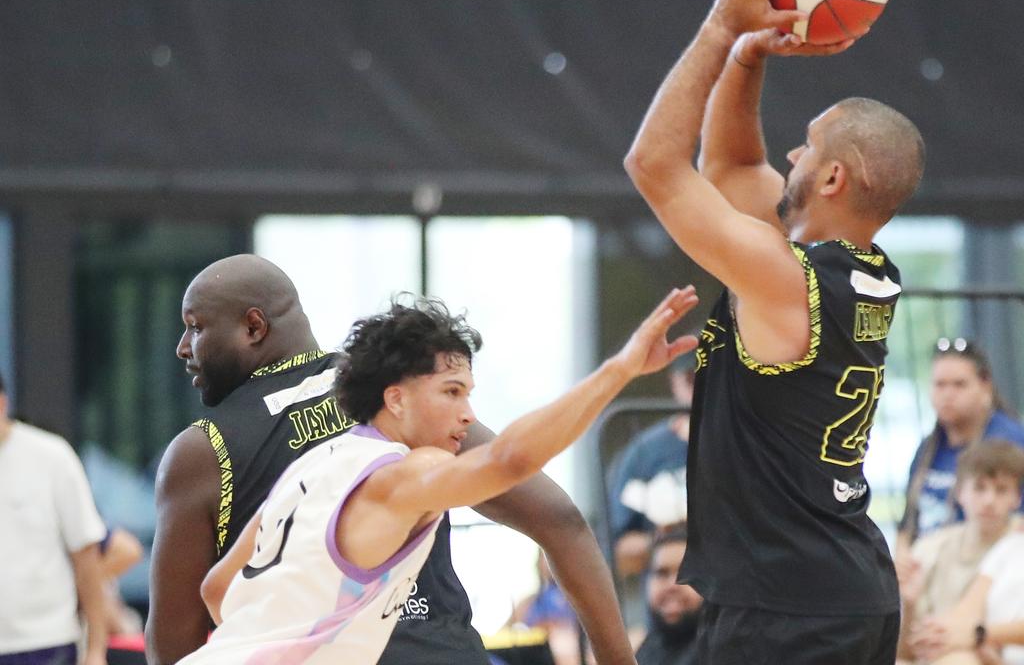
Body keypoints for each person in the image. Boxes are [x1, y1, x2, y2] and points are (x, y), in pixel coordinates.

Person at [623, 0, 926, 664]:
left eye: (808, 144)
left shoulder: (787, 277)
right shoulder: (854, 266)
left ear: (831, 178)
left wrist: (722, 19)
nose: (790, 152)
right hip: (835, 590)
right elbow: (729, 163)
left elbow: (654, 164)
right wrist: (745, 55)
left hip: (791, 609)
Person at [146, 254, 642, 665]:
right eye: (454, 393)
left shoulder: (298, 471)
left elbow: (211, 595)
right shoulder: (407, 464)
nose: (465, 415)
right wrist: (618, 372)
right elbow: (536, 491)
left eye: (194, 329)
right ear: (395, 399)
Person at [0, 369, 109, 665]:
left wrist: (97, 648)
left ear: (2, 404)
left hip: (46, 641)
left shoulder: (51, 457)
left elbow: (86, 556)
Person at [896, 440, 1024, 663]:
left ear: (1017, 498)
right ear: (959, 492)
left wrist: (976, 638)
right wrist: (909, 604)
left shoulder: (1016, 543)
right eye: (979, 487)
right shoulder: (929, 549)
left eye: (1001, 490)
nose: (989, 501)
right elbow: (904, 652)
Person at [898, 339, 1024, 553]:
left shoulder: (1010, 443)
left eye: (959, 384)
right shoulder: (928, 448)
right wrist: (902, 560)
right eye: (940, 384)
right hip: (926, 570)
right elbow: (907, 525)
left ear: (985, 387)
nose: (948, 394)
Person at [609, 352, 695, 579]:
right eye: (693, 378)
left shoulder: (756, 444)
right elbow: (617, 554)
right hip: (671, 596)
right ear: (675, 382)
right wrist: (666, 537)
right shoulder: (644, 452)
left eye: (715, 376)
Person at [909, 527, 1024, 665]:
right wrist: (938, 632)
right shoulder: (1011, 545)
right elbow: (970, 607)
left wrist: (979, 635)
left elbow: (972, 633)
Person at [634, 528, 702, 665]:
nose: (672, 585)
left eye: (686, 573)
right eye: (662, 573)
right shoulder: (646, 648)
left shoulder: (729, 649)